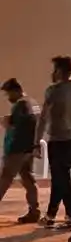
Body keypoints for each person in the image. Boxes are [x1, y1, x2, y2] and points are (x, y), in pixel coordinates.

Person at [36, 56, 71, 227]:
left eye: (55, 69)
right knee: (60, 175)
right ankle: (51, 214)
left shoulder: (53, 90)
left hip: (58, 138)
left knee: (61, 175)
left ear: (60, 70)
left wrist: (37, 140)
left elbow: (43, 118)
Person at [0, 78, 41, 223]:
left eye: (9, 93)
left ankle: (34, 210)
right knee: (28, 179)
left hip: (17, 148)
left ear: (16, 90)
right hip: (28, 148)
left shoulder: (21, 104)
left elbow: (15, 124)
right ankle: (34, 210)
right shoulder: (32, 103)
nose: (8, 97)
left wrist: (7, 122)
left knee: (4, 179)